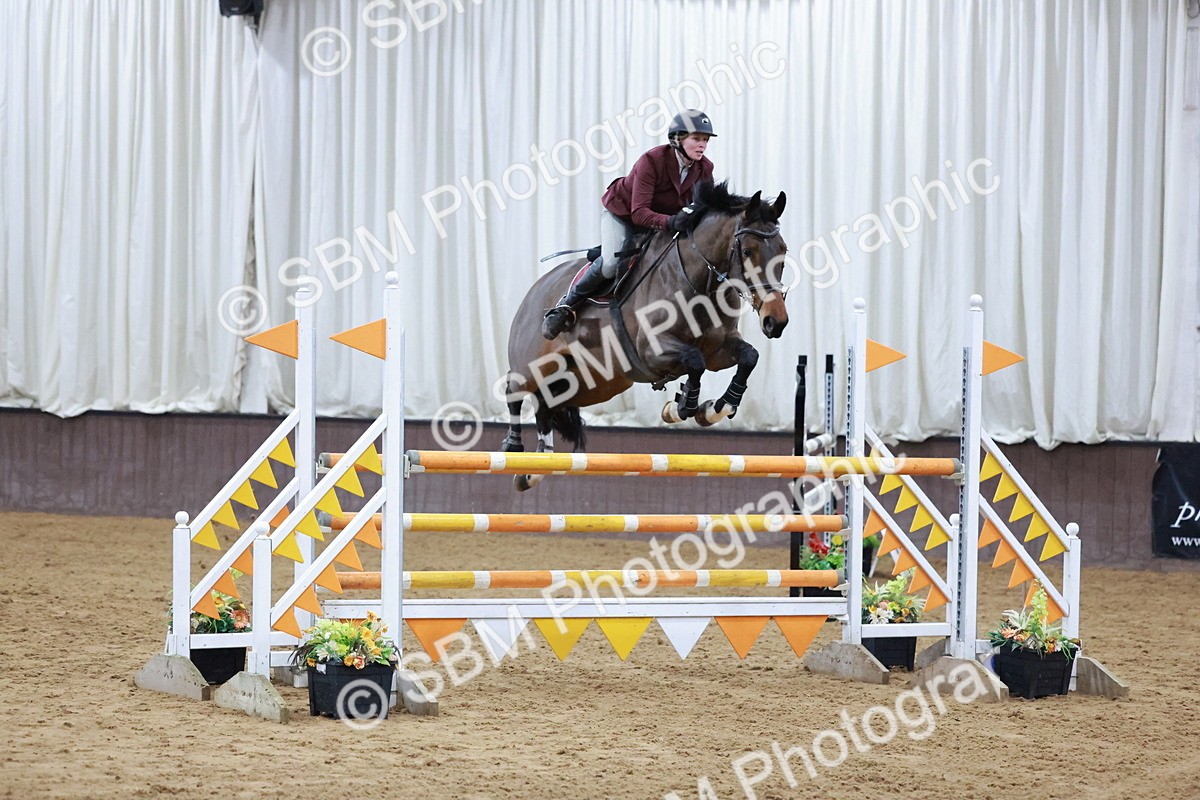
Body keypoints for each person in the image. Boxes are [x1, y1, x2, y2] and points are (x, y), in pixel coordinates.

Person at [541, 109, 717, 339]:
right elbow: (639, 213)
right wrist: (672, 221)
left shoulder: (705, 168)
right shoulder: (651, 161)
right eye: (696, 139)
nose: (702, 145)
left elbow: (706, 209)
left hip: (661, 222)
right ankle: (566, 305)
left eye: (705, 140)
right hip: (622, 214)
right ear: (677, 139)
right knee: (611, 265)